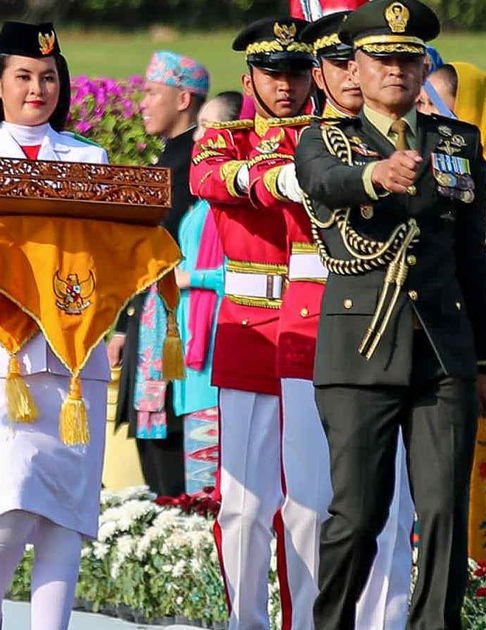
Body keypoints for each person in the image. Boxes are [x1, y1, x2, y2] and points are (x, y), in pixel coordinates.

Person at [0, 21, 162, 630]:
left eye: (49, 77)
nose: (37, 89)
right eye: (23, 77)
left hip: (73, 361)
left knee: (67, 515)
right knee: (4, 510)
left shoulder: (91, 160)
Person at [295, 1, 486, 628]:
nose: (397, 70)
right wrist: (375, 174)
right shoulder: (326, 137)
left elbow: (472, 255)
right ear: (355, 67)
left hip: (443, 353)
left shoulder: (456, 142)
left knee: (443, 512)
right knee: (358, 514)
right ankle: (331, 622)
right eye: (383, 58)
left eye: (408, 58)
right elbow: (321, 180)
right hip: (361, 350)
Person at [244, 13, 414, 629]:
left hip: (397, 333)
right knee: (316, 505)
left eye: (357, 61)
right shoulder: (305, 142)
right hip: (314, 332)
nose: (351, 74)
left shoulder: (411, 136)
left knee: (393, 511)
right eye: (338, 63)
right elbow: (244, 181)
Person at [189, 17, 309, 629]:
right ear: (249, 77)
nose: (284, 84)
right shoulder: (224, 138)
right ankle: (248, 623)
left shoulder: (334, 137)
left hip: (316, 332)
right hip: (251, 329)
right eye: (272, 72)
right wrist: (277, 178)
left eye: (295, 70)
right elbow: (207, 179)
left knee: (312, 505)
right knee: (242, 503)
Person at [419, 59, 486, 564]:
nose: (423, 110)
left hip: (471, 338)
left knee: (467, 483)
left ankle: (480, 581)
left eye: (434, 101)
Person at [109, 49, 209, 497]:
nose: (142, 103)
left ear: (184, 98)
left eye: (152, 93)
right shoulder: (166, 161)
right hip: (147, 322)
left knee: (175, 468)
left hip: (180, 330)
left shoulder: (196, 166)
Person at [174, 91, 239, 495]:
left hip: (220, 350)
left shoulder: (237, 205)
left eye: (208, 129)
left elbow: (247, 274)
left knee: (219, 490)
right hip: (194, 356)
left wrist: (190, 277)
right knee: (197, 493)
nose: (198, 139)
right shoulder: (201, 203)